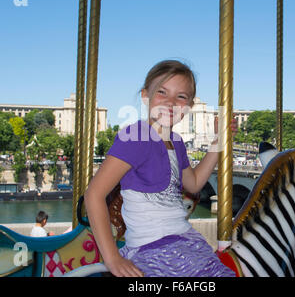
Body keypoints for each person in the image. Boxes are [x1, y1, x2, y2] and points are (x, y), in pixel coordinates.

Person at [85, 60, 237, 277]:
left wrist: (219, 140)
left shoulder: (176, 142)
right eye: (162, 92)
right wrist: (112, 258)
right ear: (145, 96)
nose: (171, 102)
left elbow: (193, 183)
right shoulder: (135, 137)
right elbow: (94, 194)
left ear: (189, 106)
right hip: (151, 246)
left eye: (181, 97)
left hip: (185, 239)